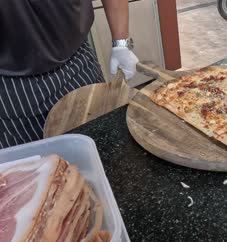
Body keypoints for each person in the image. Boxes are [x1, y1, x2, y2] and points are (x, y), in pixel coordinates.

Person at [0, 0, 139, 148]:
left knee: (110, 146)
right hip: (11, 89)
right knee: (34, 164)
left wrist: (121, 45)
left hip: (78, 63)